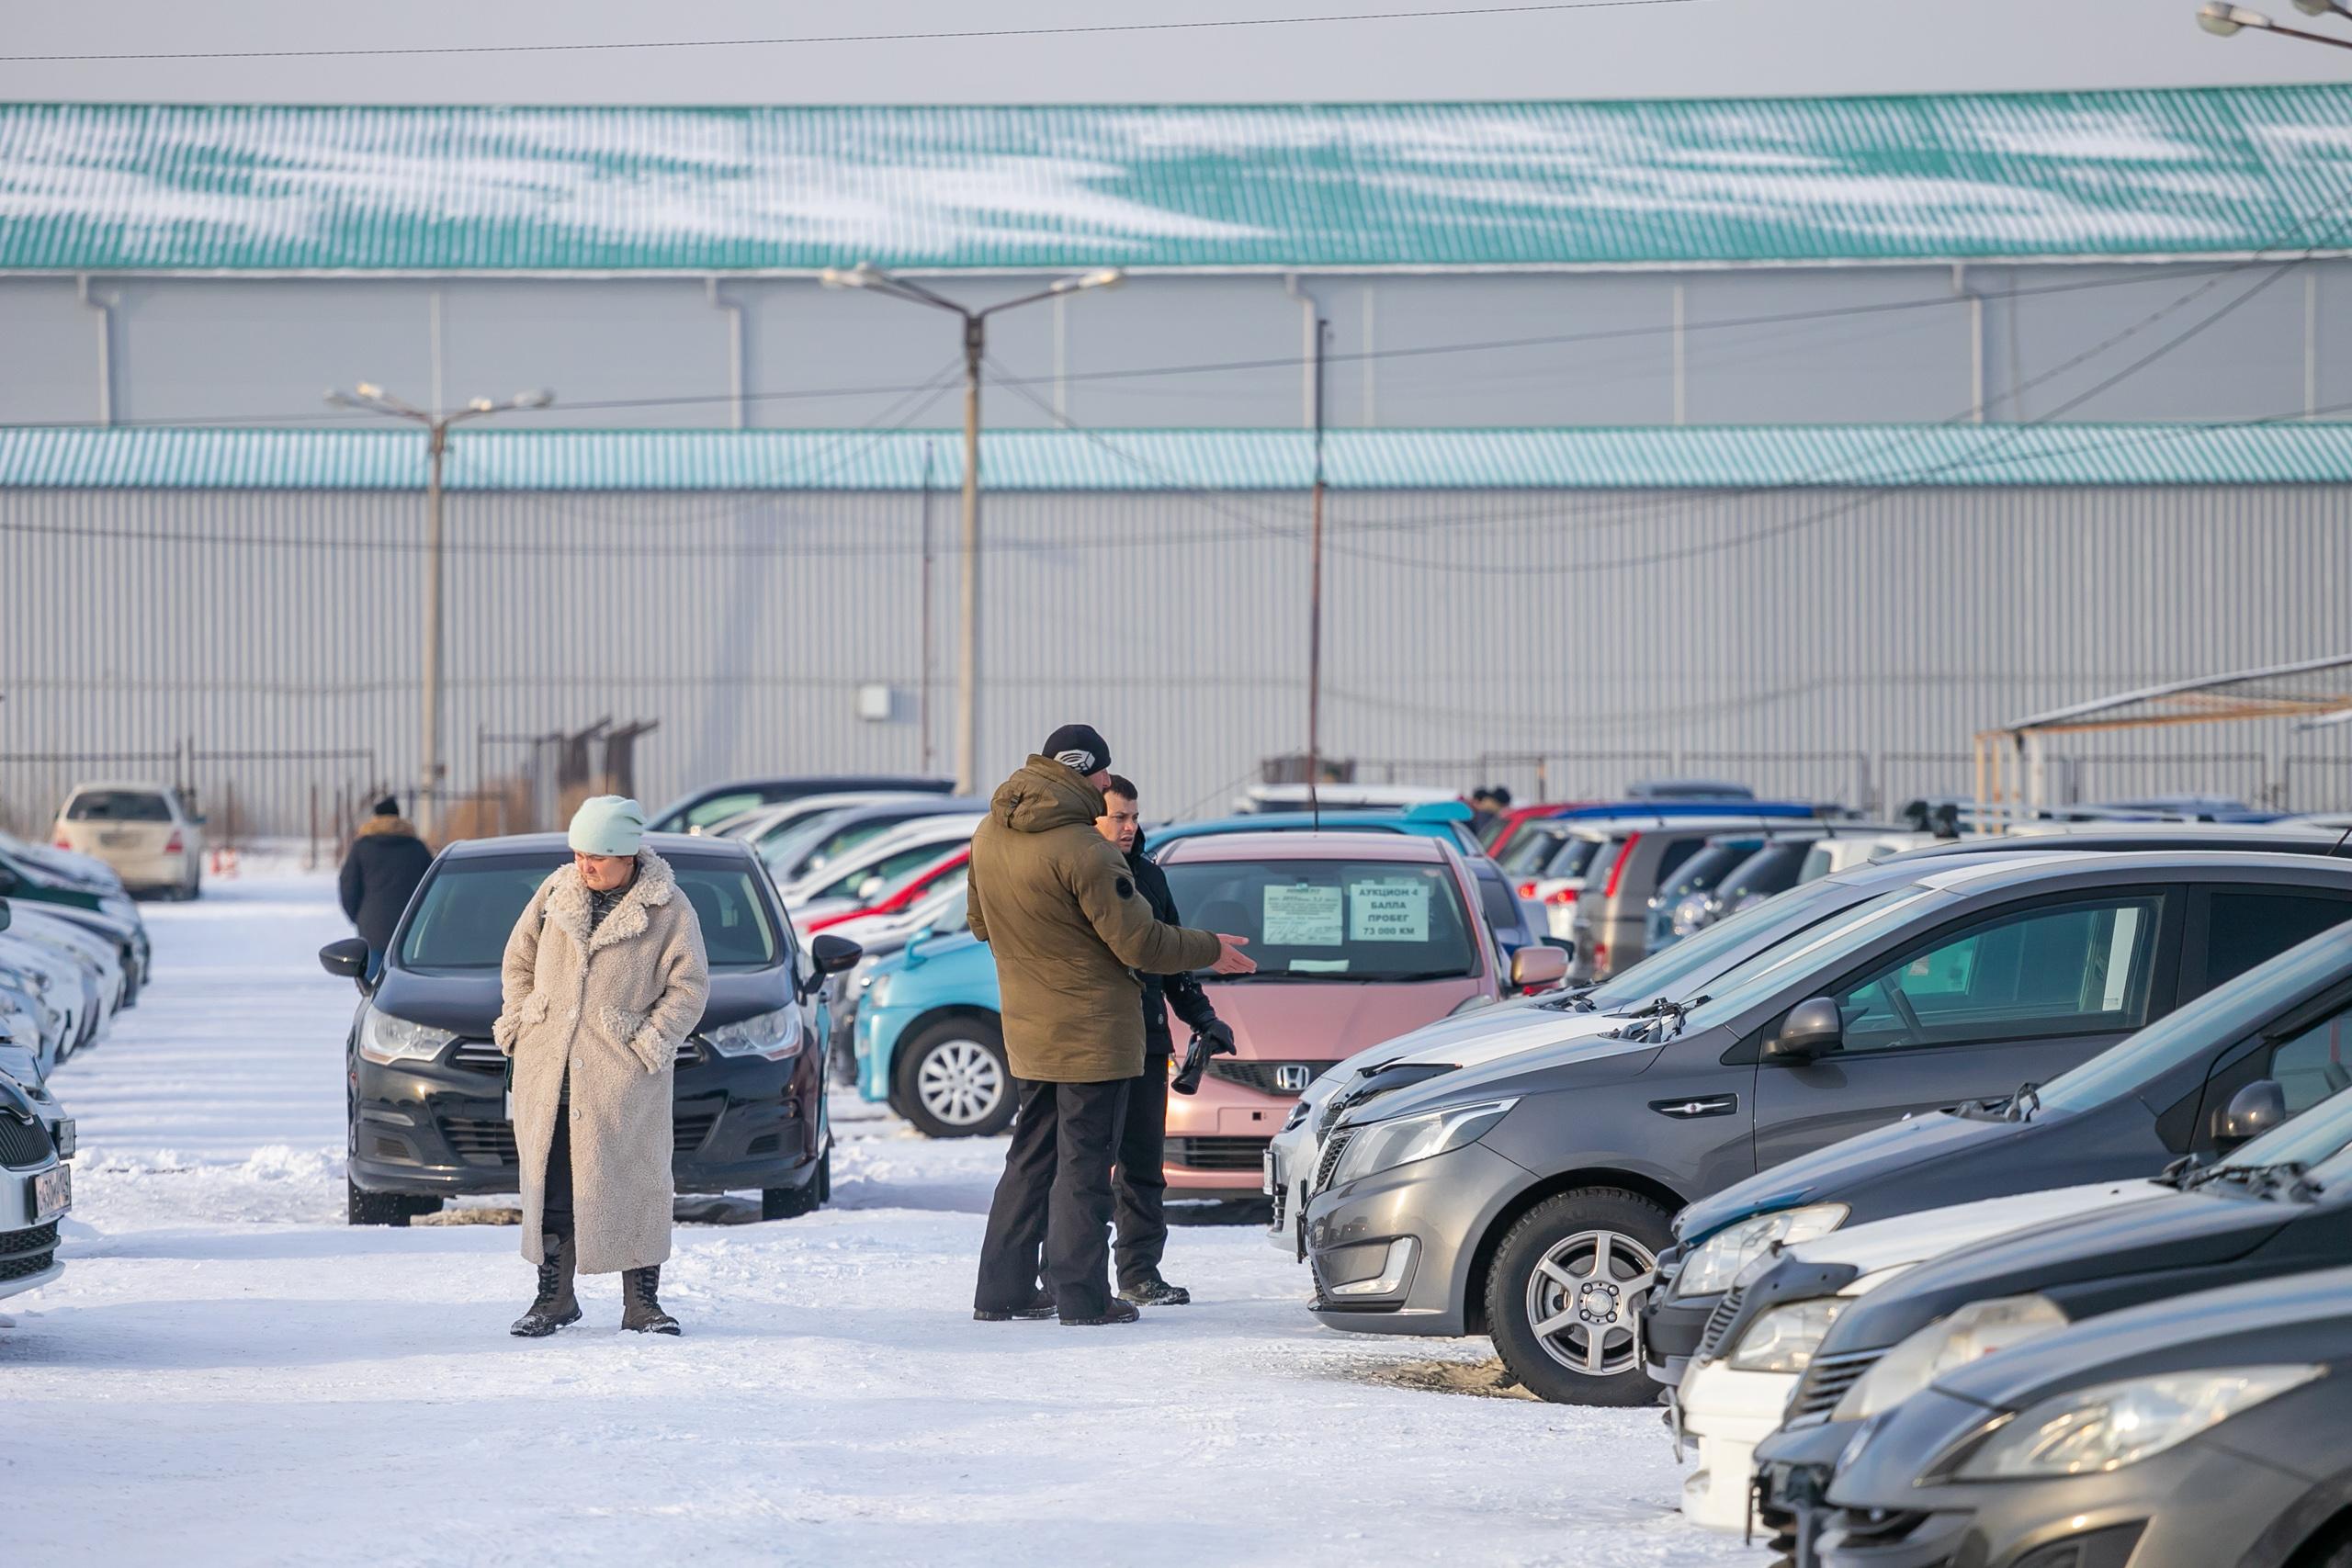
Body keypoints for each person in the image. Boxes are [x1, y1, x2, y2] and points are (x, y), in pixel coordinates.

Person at [967, 725, 1255, 1326]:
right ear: (1080, 770)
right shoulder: (1084, 848)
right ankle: (1083, 1295)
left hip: (1029, 1026)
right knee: (1085, 1166)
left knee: (1029, 1158)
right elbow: (1140, 940)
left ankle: (1003, 1289)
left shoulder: (990, 834)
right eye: (1101, 773)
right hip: (1093, 1034)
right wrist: (1209, 947)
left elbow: (980, 923)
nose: (1105, 785)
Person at [494, 795, 708, 1338]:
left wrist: (650, 1042)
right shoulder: (553, 893)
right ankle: (554, 1297)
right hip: (550, 1070)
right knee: (554, 1186)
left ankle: (642, 1303)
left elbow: (689, 988)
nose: (585, 865)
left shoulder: (668, 907)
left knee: (637, 1183)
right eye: (579, 853)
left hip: (622, 1076)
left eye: (598, 856)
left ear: (628, 855)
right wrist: (522, 1020)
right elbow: (518, 961)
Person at [1095, 774, 1232, 1307]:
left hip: (1149, 1039)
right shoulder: (1078, 874)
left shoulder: (1150, 878)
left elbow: (1173, 958)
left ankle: (1139, 1272)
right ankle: (1064, 1273)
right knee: (1081, 1168)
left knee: (1143, 1167)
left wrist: (1203, 1017)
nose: (1130, 827)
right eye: (1119, 817)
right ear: (1093, 817)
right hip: (1095, 1042)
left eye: (1134, 817)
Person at [337, 795, 432, 976]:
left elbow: (347, 886)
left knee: (372, 987)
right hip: (409, 926)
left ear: (375, 817)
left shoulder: (361, 847)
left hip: (371, 927)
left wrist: (357, 916)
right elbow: (432, 887)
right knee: (406, 982)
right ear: (398, 816)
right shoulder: (416, 847)